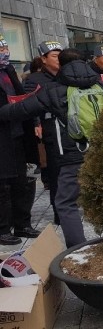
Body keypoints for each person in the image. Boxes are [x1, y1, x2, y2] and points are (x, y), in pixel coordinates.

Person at [0, 48, 103, 248]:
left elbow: (19, 110)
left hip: (72, 155)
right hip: (102, 150)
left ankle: (77, 248)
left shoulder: (52, 91)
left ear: (62, 66)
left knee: (66, 203)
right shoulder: (100, 85)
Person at [0, 34, 40, 245]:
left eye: (5, 46)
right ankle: (3, 228)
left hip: (18, 132)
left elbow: (18, 94)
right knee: (3, 185)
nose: (5, 50)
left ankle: (23, 224)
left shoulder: (7, 70)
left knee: (23, 181)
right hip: (3, 135)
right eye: (1, 48)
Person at [24, 41, 64, 224]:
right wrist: (36, 122)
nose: (58, 59)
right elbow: (27, 106)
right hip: (48, 129)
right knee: (56, 172)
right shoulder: (34, 80)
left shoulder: (66, 76)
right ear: (44, 59)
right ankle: (59, 212)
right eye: (54, 56)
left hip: (67, 128)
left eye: (60, 55)